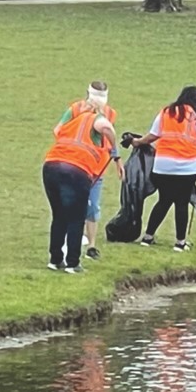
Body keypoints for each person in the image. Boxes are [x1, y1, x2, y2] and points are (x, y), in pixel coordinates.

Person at [42, 91, 116, 273]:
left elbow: (58, 131)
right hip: (76, 169)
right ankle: (73, 263)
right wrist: (113, 147)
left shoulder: (72, 121)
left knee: (59, 215)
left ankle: (55, 259)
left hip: (51, 165)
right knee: (76, 217)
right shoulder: (96, 118)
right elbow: (106, 128)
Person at [139, 86, 196, 251]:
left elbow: (153, 135)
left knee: (163, 201)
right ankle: (180, 242)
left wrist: (138, 142)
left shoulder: (166, 112)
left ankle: (148, 237)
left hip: (163, 165)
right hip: (187, 166)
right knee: (181, 203)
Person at [72, 84, 117, 260]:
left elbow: (111, 135)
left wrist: (116, 157)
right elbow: (60, 129)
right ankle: (76, 238)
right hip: (78, 164)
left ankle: (91, 246)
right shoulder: (76, 109)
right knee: (77, 202)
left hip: (98, 166)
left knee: (93, 205)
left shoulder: (110, 114)